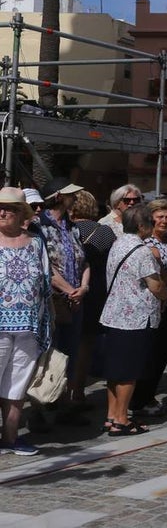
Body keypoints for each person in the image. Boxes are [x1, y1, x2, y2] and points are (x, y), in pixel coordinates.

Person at [99, 204, 167, 437]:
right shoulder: (142, 251)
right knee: (129, 373)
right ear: (141, 226)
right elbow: (155, 284)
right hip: (136, 318)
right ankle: (122, 419)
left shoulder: (118, 244)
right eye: (150, 221)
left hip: (113, 314)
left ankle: (111, 415)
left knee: (115, 371)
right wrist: (166, 295)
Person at [32, 177, 90, 425]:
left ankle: (64, 405)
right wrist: (69, 290)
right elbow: (45, 265)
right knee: (46, 356)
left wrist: (83, 287)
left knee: (70, 354)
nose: (75, 198)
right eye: (70, 194)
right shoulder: (39, 227)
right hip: (53, 302)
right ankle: (39, 410)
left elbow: (84, 261)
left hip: (74, 300)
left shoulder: (71, 226)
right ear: (57, 197)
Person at [0, 187, 52, 456]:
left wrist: (47, 322)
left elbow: (45, 283)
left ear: (21, 213)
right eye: (0, 207)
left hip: (29, 327)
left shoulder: (35, 243)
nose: (2, 211)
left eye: (9, 208)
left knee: (16, 386)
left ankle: (10, 438)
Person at [130, 198, 167, 419]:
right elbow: (159, 273)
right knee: (150, 354)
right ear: (151, 218)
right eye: (160, 216)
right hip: (154, 304)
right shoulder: (149, 242)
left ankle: (149, 394)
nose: (164, 220)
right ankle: (140, 399)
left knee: (162, 353)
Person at [69, 190, 116, 411]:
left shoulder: (66, 230)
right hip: (95, 292)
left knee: (64, 344)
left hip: (67, 291)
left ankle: (54, 395)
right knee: (85, 345)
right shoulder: (105, 232)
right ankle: (77, 393)